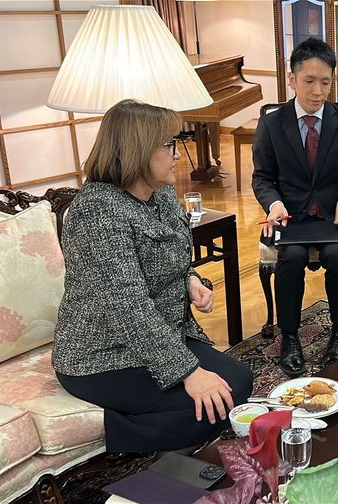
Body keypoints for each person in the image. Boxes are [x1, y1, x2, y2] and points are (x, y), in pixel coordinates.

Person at [52, 99, 254, 453]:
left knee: (238, 383)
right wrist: (189, 372)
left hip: (161, 334)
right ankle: (118, 436)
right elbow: (127, 308)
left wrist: (191, 280)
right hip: (102, 354)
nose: (178, 153)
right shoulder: (96, 212)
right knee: (210, 405)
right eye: (169, 145)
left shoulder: (158, 194)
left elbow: (172, 257)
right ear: (138, 150)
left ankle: (139, 431)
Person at [252, 38, 338, 376]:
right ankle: (289, 335)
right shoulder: (272, 124)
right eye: (309, 81)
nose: (318, 90)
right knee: (291, 259)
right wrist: (273, 204)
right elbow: (262, 178)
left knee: (337, 256)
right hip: (289, 215)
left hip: (333, 213)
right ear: (292, 79)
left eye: (325, 81)